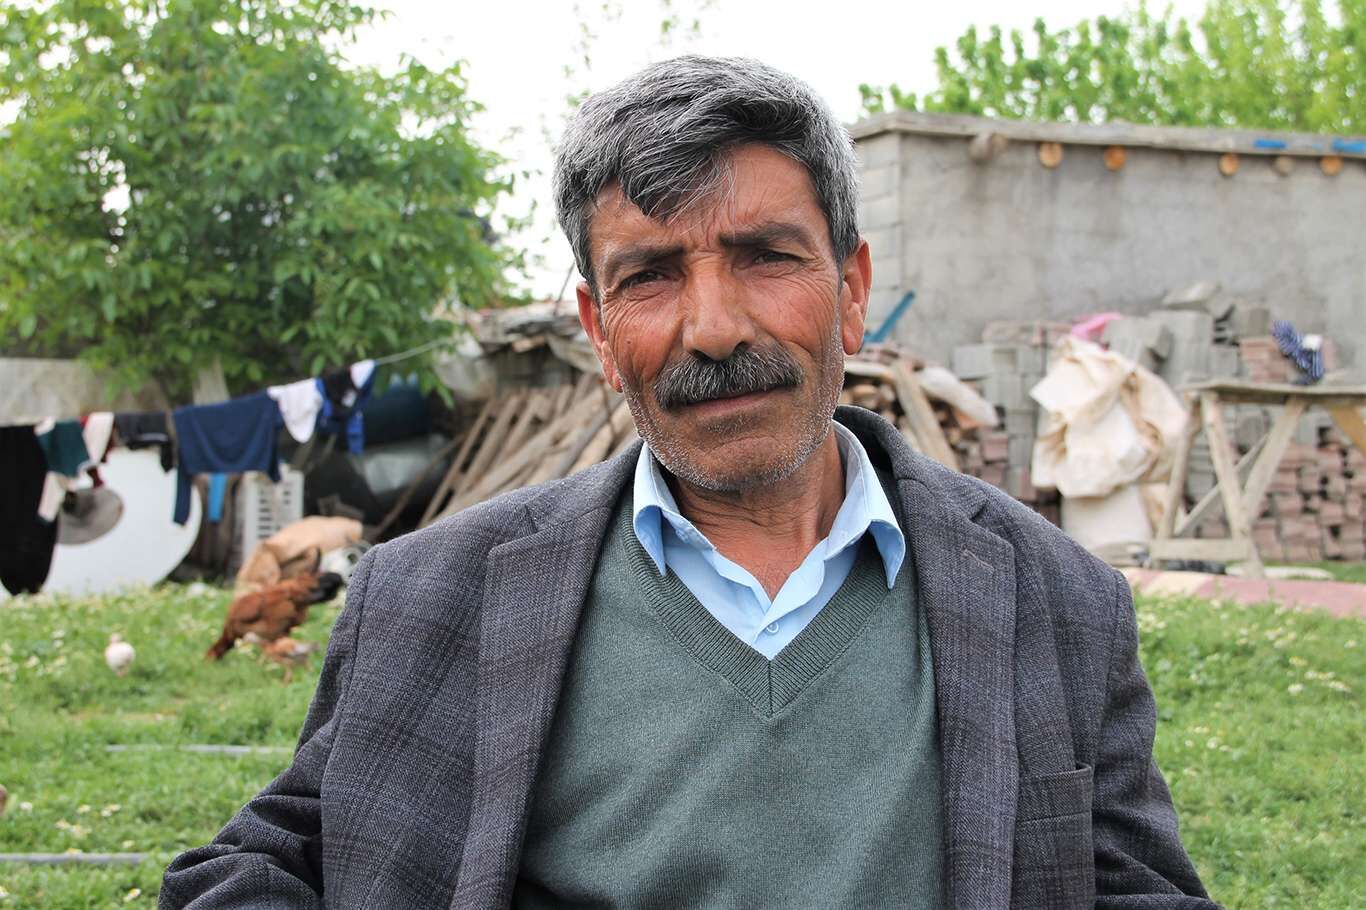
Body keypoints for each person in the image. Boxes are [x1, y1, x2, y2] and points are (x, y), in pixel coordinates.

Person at [161, 56, 1220, 910]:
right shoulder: (433, 598)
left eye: (765, 256)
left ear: (851, 291)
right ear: (597, 330)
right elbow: (261, 868)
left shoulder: (1056, 602)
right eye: (651, 276)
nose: (713, 328)